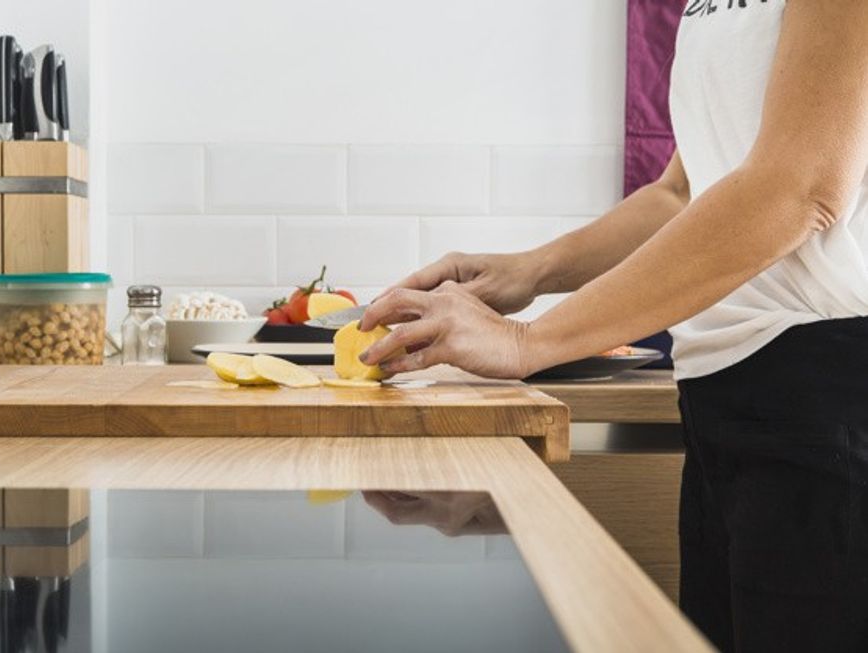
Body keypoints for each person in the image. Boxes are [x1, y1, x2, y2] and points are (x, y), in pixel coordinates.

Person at [358, 1, 868, 651]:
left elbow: (802, 187)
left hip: (829, 388)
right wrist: (529, 271)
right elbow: (682, 193)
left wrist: (527, 342)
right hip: (723, 390)